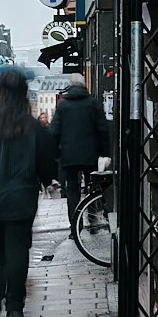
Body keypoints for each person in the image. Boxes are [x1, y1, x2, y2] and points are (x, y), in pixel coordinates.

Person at [0, 70, 58, 317]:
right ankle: (15, 305)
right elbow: (46, 164)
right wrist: (45, 179)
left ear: (0, 90)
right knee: (18, 251)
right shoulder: (32, 127)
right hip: (20, 199)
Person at [49, 78, 111, 237]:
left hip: (69, 155)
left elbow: (54, 131)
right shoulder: (93, 103)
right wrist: (106, 153)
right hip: (90, 154)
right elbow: (103, 129)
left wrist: (54, 154)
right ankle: (93, 220)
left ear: (70, 86)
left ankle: (75, 227)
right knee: (92, 185)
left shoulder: (62, 105)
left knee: (72, 190)